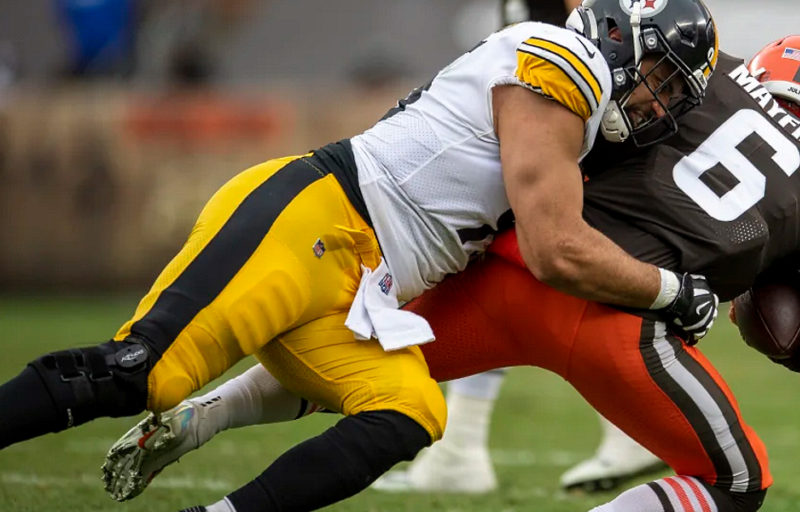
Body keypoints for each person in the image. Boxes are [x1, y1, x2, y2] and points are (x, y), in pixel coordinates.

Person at [0, 0, 720, 510]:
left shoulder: (582, 116)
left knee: (408, 411)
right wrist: (668, 290)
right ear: (622, 34)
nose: (657, 106)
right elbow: (555, 249)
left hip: (362, 286)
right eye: (658, 78)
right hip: (313, 220)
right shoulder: (568, 63)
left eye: (671, 97)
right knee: (144, 373)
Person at [105, 34, 800, 512]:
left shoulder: (704, 71)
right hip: (627, 319)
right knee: (736, 483)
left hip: (517, 269)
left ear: (764, 69)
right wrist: (767, 318)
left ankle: (204, 415)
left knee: (351, 364)